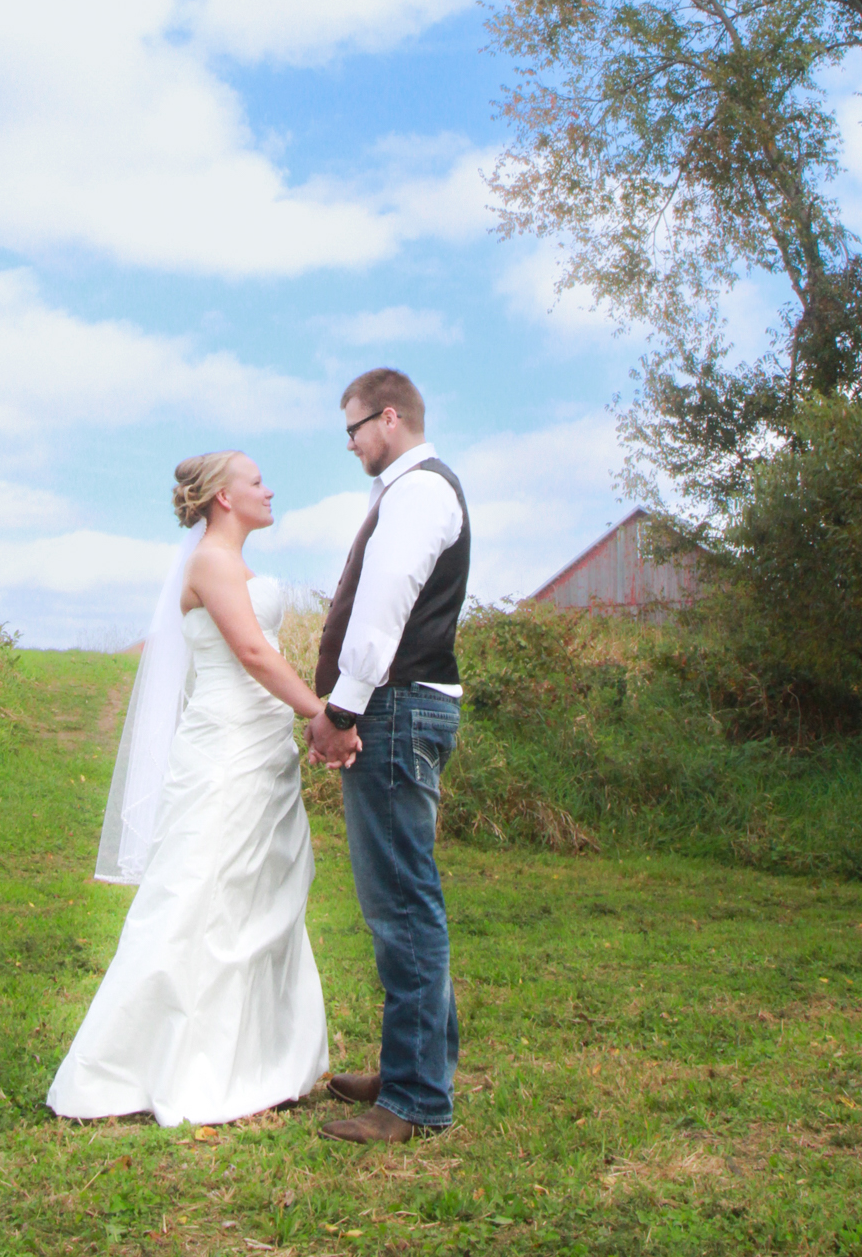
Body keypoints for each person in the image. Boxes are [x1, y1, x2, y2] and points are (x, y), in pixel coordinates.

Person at [47, 450, 345, 1127]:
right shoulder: (210, 560)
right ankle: (157, 1063)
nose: (270, 490)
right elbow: (251, 652)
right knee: (201, 891)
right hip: (226, 748)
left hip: (258, 745)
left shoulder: (230, 563)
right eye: (257, 482)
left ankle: (260, 1057)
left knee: (258, 892)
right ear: (223, 499)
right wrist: (319, 714)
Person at [303, 368, 470, 1144]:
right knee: (404, 898)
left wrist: (342, 708)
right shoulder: (408, 491)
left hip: (393, 707)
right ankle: (415, 1064)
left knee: (401, 903)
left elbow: (384, 606)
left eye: (353, 429)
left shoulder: (417, 492)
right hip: (401, 705)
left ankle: (411, 1099)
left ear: (389, 416)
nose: (350, 444)